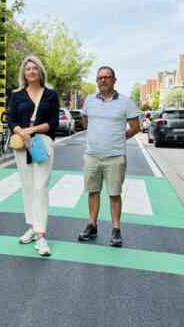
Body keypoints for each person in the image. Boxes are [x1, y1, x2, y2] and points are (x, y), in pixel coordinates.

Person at [78, 66, 140, 247]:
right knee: (93, 191)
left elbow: (135, 127)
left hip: (115, 156)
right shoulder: (89, 100)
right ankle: (92, 225)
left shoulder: (126, 102)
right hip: (92, 156)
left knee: (114, 194)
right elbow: (85, 121)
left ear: (114, 80)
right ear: (97, 81)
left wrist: (121, 137)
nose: (103, 80)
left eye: (107, 77)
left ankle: (116, 229)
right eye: (99, 78)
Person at [7, 55, 59, 257]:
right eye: (27, 68)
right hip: (22, 145)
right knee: (28, 187)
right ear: (24, 73)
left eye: (34, 68)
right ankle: (32, 226)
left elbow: (53, 123)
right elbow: (11, 119)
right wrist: (20, 131)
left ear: (40, 72)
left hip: (42, 143)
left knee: (41, 187)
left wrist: (33, 129)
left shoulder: (50, 95)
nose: (31, 71)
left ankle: (41, 235)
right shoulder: (17, 94)